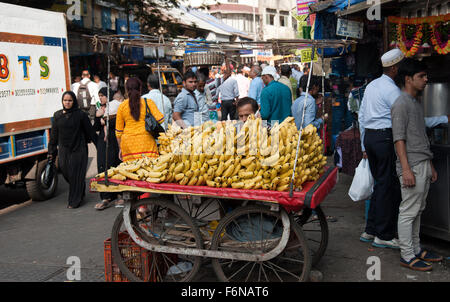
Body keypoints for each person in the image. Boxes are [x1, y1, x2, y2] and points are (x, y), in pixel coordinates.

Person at [358, 48, 449, 248]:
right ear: (395, 69)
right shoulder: (393, 91)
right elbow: (408, 120)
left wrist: (364, 142)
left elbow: (361, 115)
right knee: (387, 187)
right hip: (384, 138)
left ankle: (370, 229)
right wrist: (443, 118)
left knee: (379, 184)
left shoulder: (372, 85)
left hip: (372, 138)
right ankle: (383, 234)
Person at [391, 59, 445, 271]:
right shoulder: (401, 104)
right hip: (411, 164)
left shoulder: (414, 102)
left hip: (421, 162)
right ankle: (407, 254)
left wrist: (429, 163)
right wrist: (405, 168)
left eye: (425, 76)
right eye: (421, 76)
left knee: (418, 210)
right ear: (408, 79)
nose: (426, 80)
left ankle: (415, 249)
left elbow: (420, 135)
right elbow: (399, 139)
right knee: (408, 211)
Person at [48, 91, 98, 209]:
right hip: (64, 150)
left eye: (70, 100)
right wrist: (51, 151)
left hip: (79, 148)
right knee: (66, 173)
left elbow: (90, 132)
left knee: (76, 174)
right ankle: (79, 189)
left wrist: (99, 145)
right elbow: (54, 135)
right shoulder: (57, 115)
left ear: (74, 101)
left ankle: (74, 201)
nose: (67, 103)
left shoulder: (80, 114)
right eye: (65, 100)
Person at [115, 77, 165, 162]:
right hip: (147, 143)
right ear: (140, 88)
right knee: (149, 171)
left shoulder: (122, 106)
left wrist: (121, 148)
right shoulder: (148, 102)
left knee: (132, 173)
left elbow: (118, 132)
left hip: (128, 145)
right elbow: (161, 119)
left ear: (127, 90)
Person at [93, 87, 122, 210]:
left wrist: (107, 120)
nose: (101, 98)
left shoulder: (116, 107)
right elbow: (95, 128)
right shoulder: (99, 109)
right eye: (99, 96)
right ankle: (106, 197)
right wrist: (97, 116)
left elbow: (120, 124)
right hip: (103, 143)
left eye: (103, 95)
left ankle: (119, 194)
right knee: (102, 167)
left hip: (114, 141)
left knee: (115, 166)